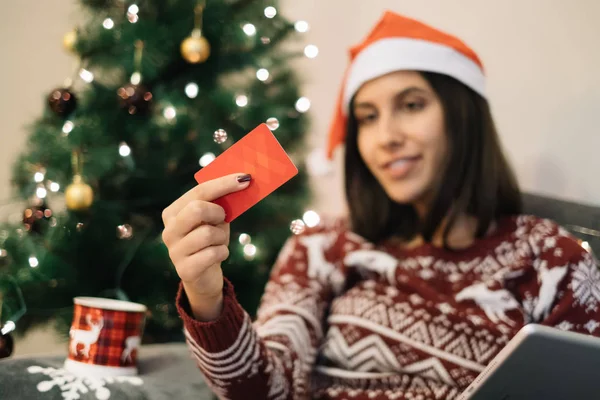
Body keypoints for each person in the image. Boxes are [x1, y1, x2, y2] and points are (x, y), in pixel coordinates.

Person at [161, 10, 600, 400]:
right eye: (367, 117)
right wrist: (206, 295)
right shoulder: (324, 245)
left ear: (464, 115)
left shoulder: (550, 258)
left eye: (411, 105)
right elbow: (263, 388)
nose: (385, 137)